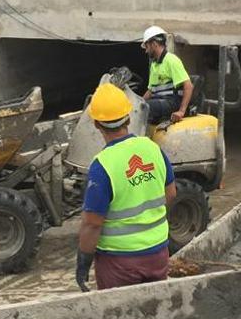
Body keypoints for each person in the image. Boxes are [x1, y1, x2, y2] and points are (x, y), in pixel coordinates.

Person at [76, 83, 177, 291]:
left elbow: (92, 224)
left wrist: (83, 262)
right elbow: (171, 193)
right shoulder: (153, 148)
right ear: (129, 118)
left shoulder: (102, 165)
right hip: (158, 254)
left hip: (119, 263)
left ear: (96, 124)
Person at [141, 26, 194, 125]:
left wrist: (181, 111)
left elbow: (189, 86)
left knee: (145, 107)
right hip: (160, 101)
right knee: (139, 106)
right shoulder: (154, 64)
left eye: (147, 47)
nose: (146, 51)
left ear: (154, 44)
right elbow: (151, 91)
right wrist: (137, 103)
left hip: (172, 102)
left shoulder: (171, 60)